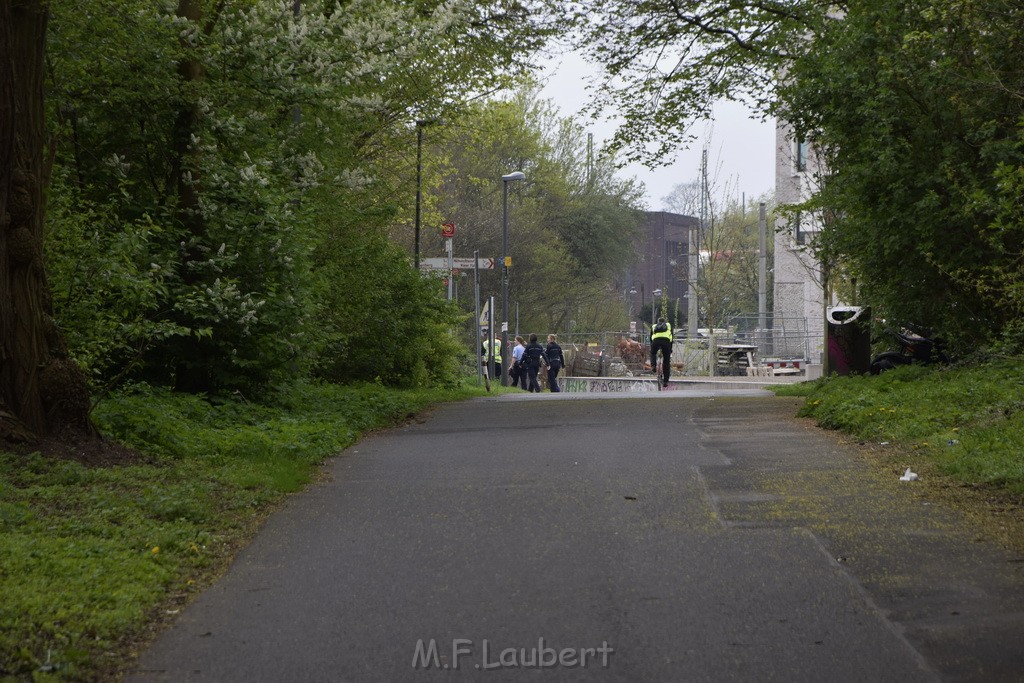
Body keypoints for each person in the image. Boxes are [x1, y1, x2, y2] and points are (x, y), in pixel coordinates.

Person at [650, 317, 673, 387]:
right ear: (665, 322)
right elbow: (671, 338)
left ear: (658, 322)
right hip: (666, 342)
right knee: (666, 361)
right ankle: (666, 381)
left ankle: (653, 366)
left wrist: (652, 347)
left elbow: (651, 338)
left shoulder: (654, 326)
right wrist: (670, 349)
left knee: (653, 353)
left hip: (656, 342)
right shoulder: (668, 325)